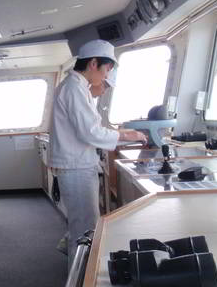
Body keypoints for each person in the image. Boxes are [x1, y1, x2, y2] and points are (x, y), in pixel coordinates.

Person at [49, 40, 146, 262]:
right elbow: (90, 132)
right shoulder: (74, 88)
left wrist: (119, 135)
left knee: (83, 227)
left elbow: (89, 129)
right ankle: (80, 279)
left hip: (78, 165)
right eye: (106, 70)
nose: (105, 77)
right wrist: (126, 136)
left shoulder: (77, 87)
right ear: (93, 64)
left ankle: (81, 275)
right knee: (84, 230)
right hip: (76, 168)